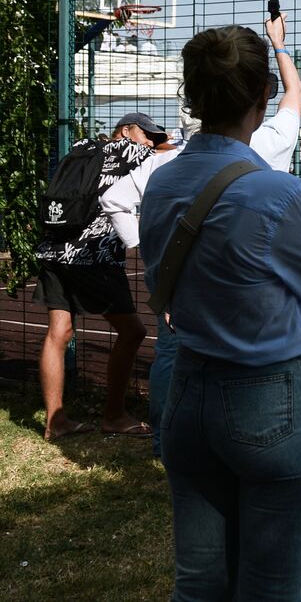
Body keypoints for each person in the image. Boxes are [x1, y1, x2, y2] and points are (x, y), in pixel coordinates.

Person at [140, 25, 301, 598]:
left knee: (198, 583)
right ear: (261, 94)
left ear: (191, 94)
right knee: (271, 586)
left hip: (188, 387)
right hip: (270, 395)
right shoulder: (276, 191)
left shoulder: (162, 183)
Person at [103, 13, 301, 458]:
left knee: (173, 357)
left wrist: (142, 247)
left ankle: (167, 439)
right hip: (250, 295)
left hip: (181, 291)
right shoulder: (270, 144)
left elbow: (116, 199)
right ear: (257, 96)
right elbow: (294, 95)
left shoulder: (164, 165)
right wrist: (279, 45)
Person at [34, 111, 165, 440]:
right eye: (146, 134)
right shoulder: (128, 151)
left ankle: (55, 420)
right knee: (133, 332)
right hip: (93, 253)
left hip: (53, 250)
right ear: (126, 131)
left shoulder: (81, 147)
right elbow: (176, 154)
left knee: (58, 331)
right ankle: (114, 415)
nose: (151, 141)